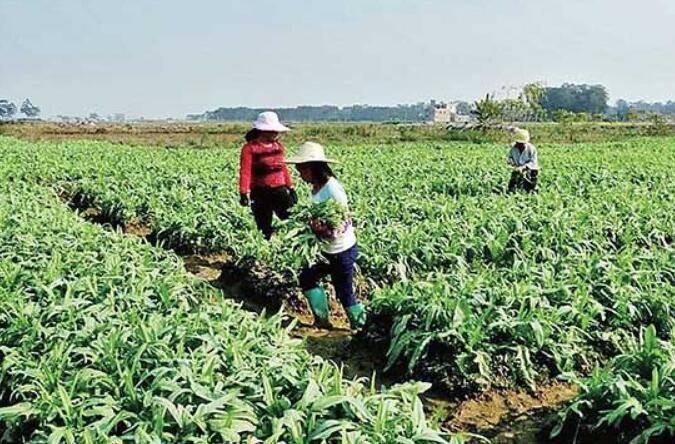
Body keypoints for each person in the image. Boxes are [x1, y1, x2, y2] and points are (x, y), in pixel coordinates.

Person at [285, 142, 366, 330]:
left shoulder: (333, 189)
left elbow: (342, 223)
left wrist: (321, 230)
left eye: (302, 170)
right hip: (325, 250)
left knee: (344, 292)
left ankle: (361, 330)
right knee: (307, 278)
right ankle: (322, 321)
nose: (300, 174)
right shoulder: (317, 186)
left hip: (341, 251)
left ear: (313, 168)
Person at [239, 111, 297, 239]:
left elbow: (283, 168)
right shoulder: (250, 148)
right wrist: (243, 192)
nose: (276, 133)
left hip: (279, 190)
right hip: (260, 192)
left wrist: (291, 187)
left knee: (292, 221)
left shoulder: (278, 147)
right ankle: (268, 252)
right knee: (264, 226)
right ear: (263, 130)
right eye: (272, 130)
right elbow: (245, 171)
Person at [507, 128, 540, 193]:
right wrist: (513, 164)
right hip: (517, 169)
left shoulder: (531, 149)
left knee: (529, 188)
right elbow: (509, 158)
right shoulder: (513, 149)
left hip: (530, 170)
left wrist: (523, 167)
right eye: (517, 142)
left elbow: (533, 162)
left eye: (520, 143)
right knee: (512, 185)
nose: (518, 144)